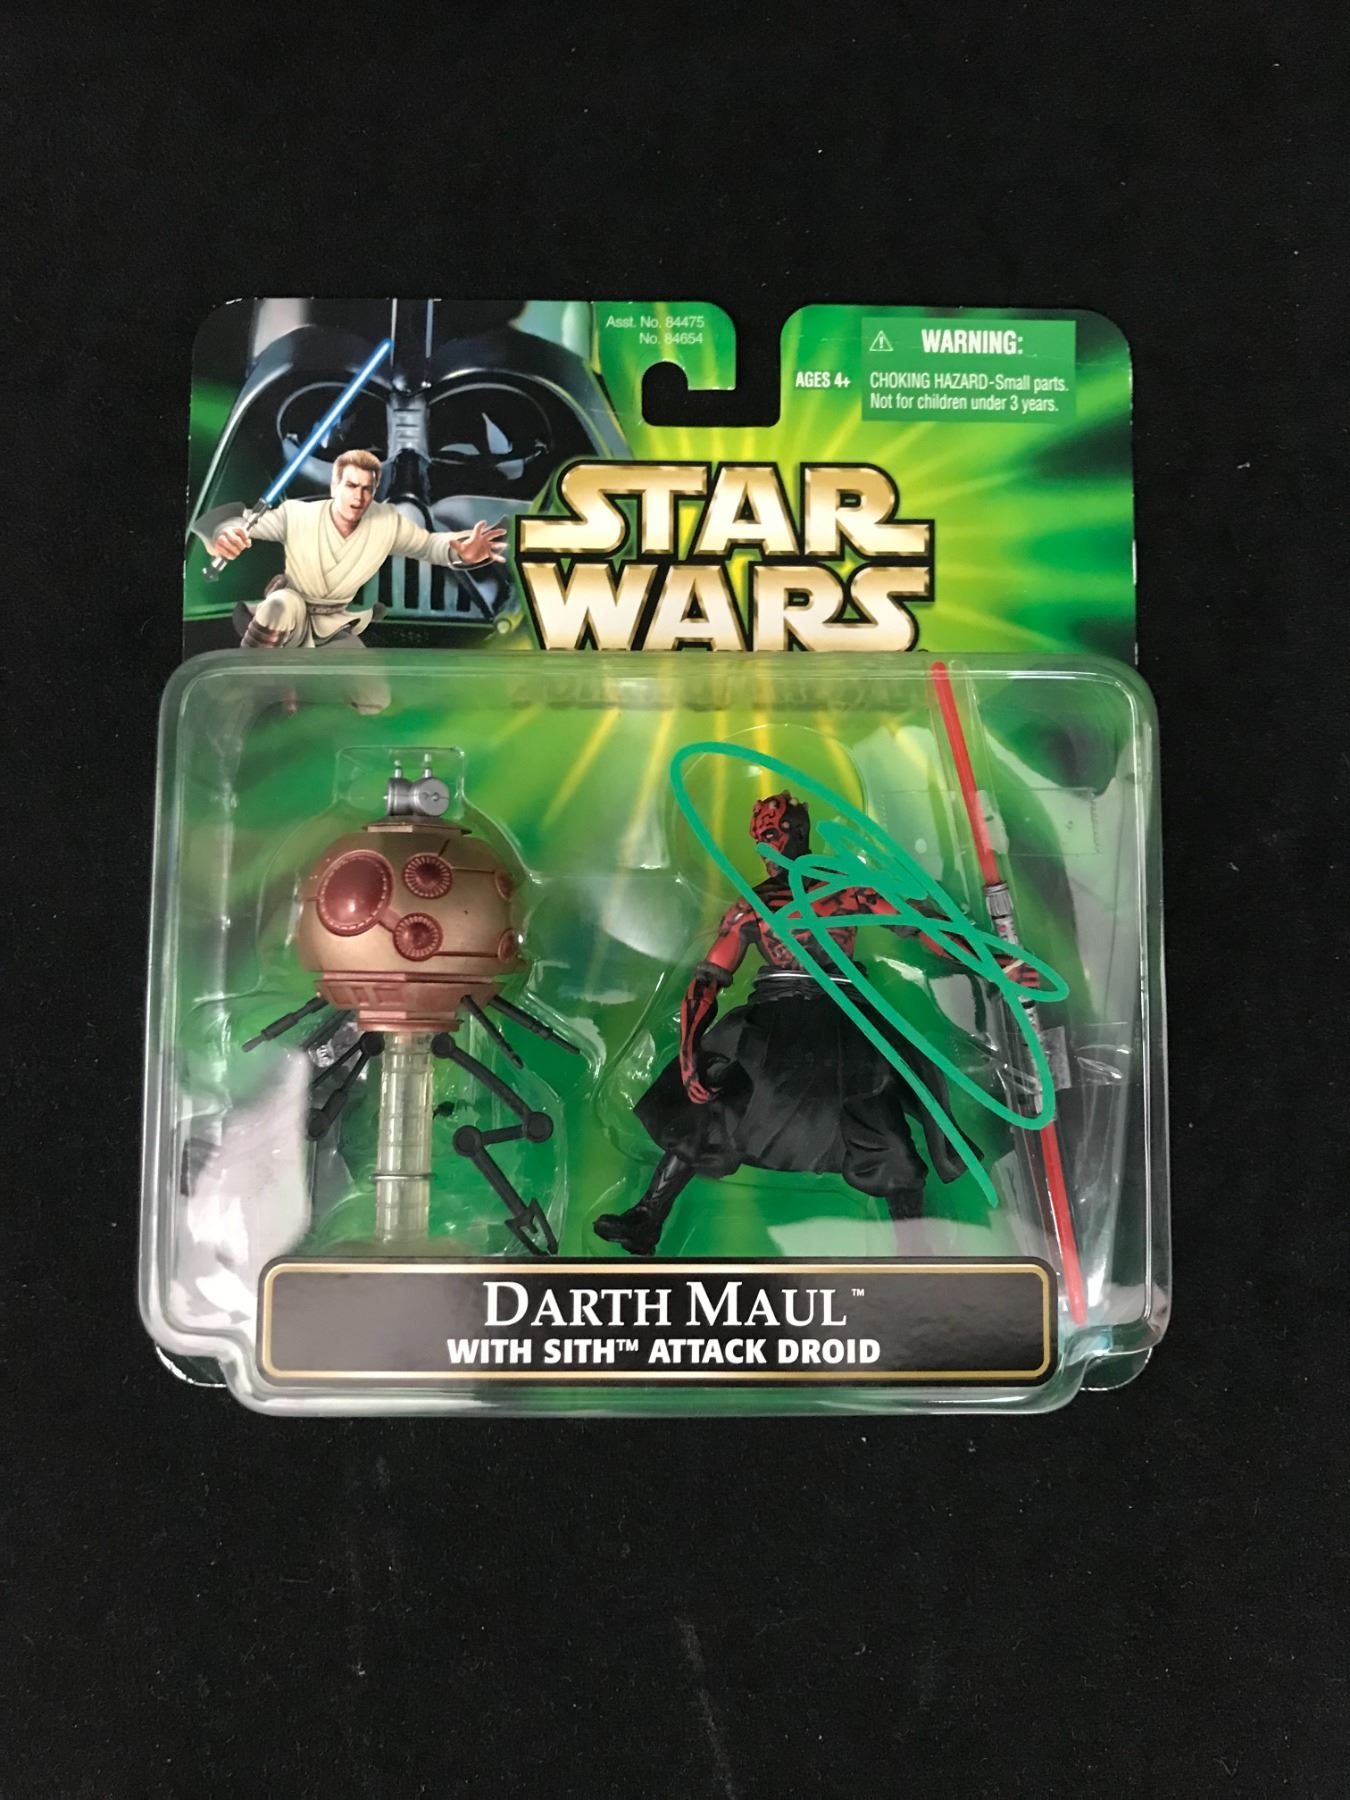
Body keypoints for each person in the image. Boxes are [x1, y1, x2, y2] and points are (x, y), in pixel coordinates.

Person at [594, 791, 989, 1255]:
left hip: (844, 1018)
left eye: (772, 833)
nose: (765, 847)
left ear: (797, 832)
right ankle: (648, 1216)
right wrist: (688, 1052)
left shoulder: (845, 888)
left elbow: (918, 925)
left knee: (882, 1128)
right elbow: (708, 978)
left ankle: (916, 1250)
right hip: (773, 1018)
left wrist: (990, 960)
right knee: (709, 1112)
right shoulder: (753, 905)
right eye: (758, 837)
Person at [205, 448, 507, 650]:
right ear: (335, 486)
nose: (359, 497)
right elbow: (243, 522)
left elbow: (427, 545)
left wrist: (460, 552)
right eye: (351, 486)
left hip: (333, 623)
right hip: (292, 609)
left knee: (374, 700)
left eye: (367, 489)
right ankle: (247, 688)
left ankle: (301, 689)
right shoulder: (297, 514)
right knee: (279, 605)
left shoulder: (386, 522)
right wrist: (224, 534)